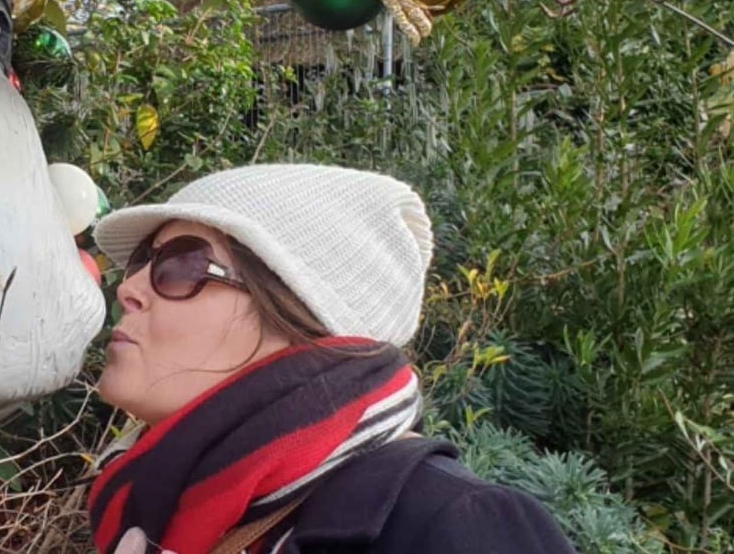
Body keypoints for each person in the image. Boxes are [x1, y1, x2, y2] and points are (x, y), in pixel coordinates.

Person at [86, 163, 578, 554]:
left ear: (301, 310)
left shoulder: (452, 524)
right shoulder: (158, 515)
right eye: (141, 263)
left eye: (181, 263)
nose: (128, 289)